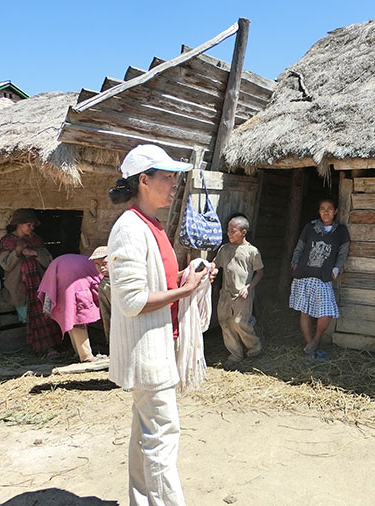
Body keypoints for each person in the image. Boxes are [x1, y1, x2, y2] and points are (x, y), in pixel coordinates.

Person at [107, 143, 217, 506]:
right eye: (167, 176)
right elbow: (132, 301)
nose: (174, 184)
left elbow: (159, 283)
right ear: (143, 180)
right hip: (147, 350)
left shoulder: (151, 225)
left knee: (147, 436)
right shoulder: (130, 229)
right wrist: (185, 291)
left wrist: (191, 277)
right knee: (162, 435)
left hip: (158, 344)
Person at [289, 198, 350, 359]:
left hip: (323, 276)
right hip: (304, 273)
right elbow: (300, 246)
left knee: (326, 312)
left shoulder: (341, 231)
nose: (326, 211)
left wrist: (336, 269)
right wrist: (295, 262)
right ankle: (310, 347)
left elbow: (343, 253)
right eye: (322, 208)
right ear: (319, 211)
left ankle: (315, 341)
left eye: (329, 208)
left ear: (335, 211)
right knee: (305, 312)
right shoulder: (310, 227)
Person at [0, 208, 61, 358]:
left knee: (44, 316)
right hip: (21, 287)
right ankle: (36, 347)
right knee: (28, 318)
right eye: (28, 224)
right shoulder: (7, 241)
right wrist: (17, 251)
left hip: (38, 285)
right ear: (19, 224)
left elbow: (48, 260)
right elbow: (5, 265)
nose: (31, 228)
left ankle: (48, 347)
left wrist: (35, 253)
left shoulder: (36, 240)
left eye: (33, 225)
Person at [213, 216, 264, 367]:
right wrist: (211, 271)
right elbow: (216, 265)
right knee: (224, 321)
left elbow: (260, 273)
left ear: (243, 232)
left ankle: (254, 347)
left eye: (232, 231)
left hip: (243, 294)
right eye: (228, 230)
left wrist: (249, 287)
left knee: (240, 322)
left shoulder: (252, 251)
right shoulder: (224, 249)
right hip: (225, 294)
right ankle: (235, 353)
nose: (228, 233)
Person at [37, 254, 104, 363]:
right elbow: (100, 290)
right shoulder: (100, 269)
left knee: (69, 317)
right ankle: (86, 356)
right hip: (70, 280)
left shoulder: (92, 263)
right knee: (78, 318)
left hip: (58, 273)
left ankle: (79, 352)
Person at [89, 246, 111, 343]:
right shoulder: (103, 285)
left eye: (105, 263)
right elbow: (105, 312)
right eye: (96, 264)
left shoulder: (126, 278)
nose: (100, 267)